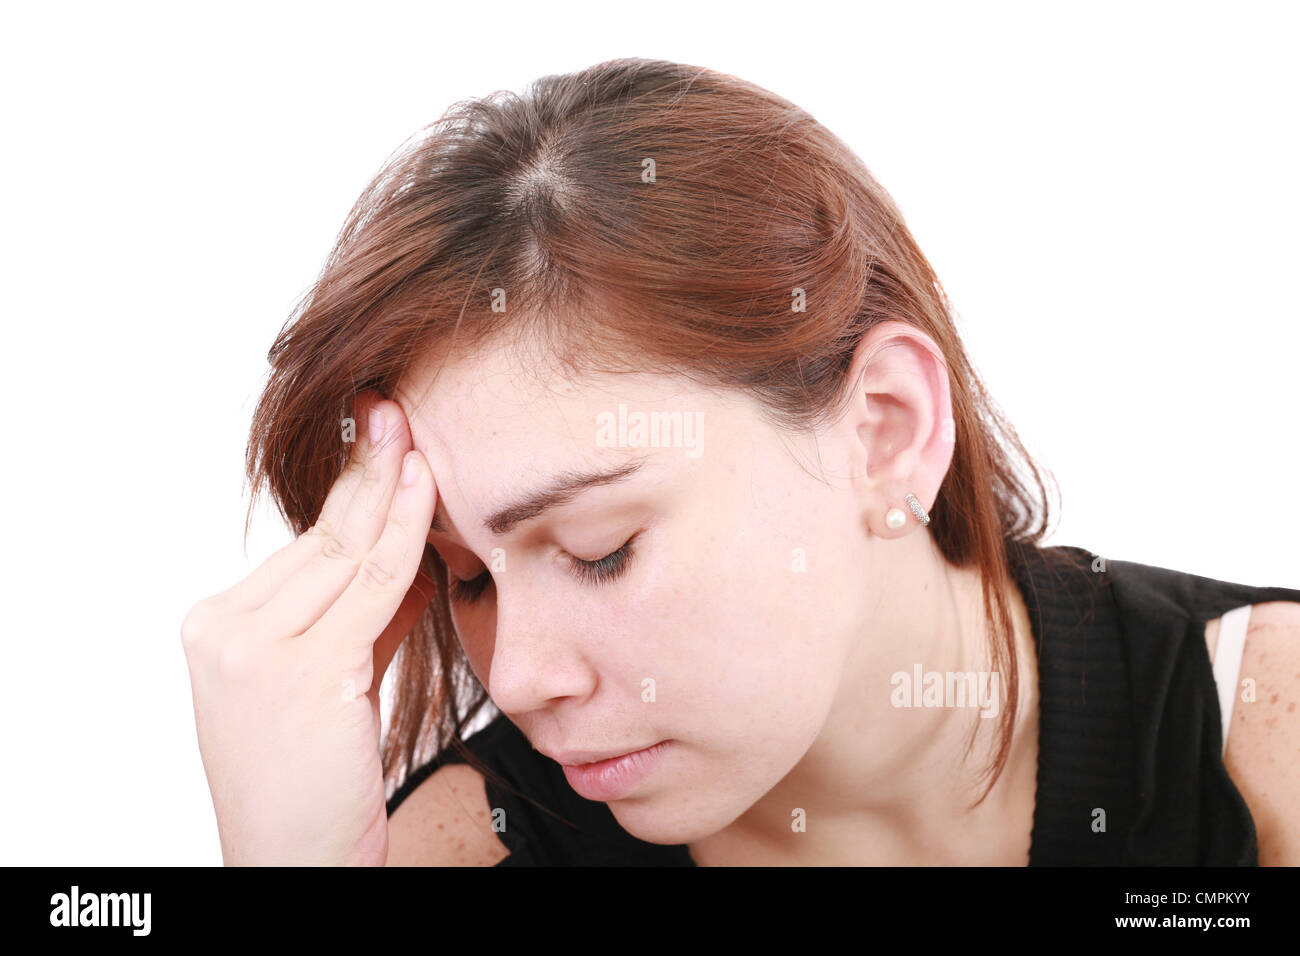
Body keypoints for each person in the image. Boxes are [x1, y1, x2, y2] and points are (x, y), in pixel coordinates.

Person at [181, 57, 1300, 866]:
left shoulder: (1265, 731)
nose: (515, 678)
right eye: (465, 577)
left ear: (885, 429)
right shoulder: (467, 847)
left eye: (599, 549)